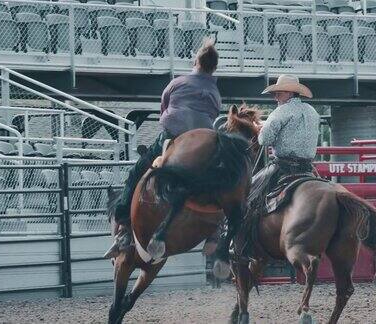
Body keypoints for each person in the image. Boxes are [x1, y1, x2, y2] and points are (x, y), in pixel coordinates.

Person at [105, 38, 222, 258]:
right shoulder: (214, 92)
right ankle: (217, 230)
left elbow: (164, 107)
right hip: (203, 140)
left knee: (135, 175)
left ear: (196, 61)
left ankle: (123, 227)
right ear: (214, 67)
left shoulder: (177, 83)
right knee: (221, 179)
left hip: (172, 136)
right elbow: (214, 114)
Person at [247, 74, 320, 217]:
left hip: (283, 167)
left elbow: (264, 140)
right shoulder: (312, 111)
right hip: (307, 167)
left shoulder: (280, 112)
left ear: (289, 93)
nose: (275, 97)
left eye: (278, 94)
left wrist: (261, 130)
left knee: (250, 193)